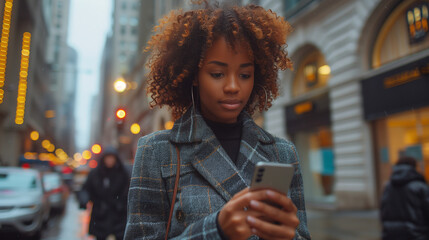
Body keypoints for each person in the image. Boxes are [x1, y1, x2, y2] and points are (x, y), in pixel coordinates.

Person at [125, 2, 311, 239]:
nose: (233, 87)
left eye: (245, 75)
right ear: (193, 75)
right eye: (217, 74)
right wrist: (217, 230)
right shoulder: (156, 151)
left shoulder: (283, 153)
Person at [79, 147, 130, 240]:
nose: (109, 161)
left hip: (118, 214)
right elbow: (86, 188)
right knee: (100, 237)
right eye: (108, 158)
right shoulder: (95, 173)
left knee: (120, 236)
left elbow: (127, 190)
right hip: (100, 214)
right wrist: (84, 200)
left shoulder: (123, 173)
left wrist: (121, 203)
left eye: (112, 158)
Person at [380, 156, 429, 240]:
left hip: (391, 234)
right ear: (414, 167)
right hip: (416, 234)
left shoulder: (388, 186)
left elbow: (383, 210)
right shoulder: (419, 186)